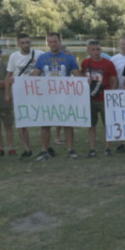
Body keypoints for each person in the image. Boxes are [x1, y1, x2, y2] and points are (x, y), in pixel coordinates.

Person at [31, 32, 81, 161]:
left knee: (67, 124)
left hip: (64, 96)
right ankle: (44, 150)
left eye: (55, 41)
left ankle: (70, 149)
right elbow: (34, 75)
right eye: (50, 41)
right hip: (47, 97)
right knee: (45, 125)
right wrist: (19, 83)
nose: (52, 44)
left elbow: (77, 76)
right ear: (47, 43)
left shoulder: (69, 57)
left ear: (60, 42)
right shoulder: (42, 58)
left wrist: (85, 82)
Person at [4, 33, 43, 158]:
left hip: (37, 92)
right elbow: (8, 75)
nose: (26, 45)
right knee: (21, 121)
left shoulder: (39, 54)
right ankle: (27, 149)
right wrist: (7, 93)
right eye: (23, 43)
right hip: (20, 92)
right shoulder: (14, 57)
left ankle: (44, 147)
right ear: (18, 44)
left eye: (27, 42)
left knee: (43, 119)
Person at [81, 40, 117, 158]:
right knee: (91, 124)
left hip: (104, 98)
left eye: (98, 49)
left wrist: (111, 94)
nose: (96, 52)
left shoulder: (108, 63)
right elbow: (81, 78)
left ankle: (107, 148)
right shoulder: (85, 63)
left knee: (107, 124)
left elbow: (114, 80)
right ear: (88, 51)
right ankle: (92, 148)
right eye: (93, 49)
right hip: (90, 98)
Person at [110, 37, 125, 154]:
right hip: (118, 92)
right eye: (122, 44)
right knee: (119, 118)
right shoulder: (114, 59)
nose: (124, 46)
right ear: (119, 45)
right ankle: (121, 143)